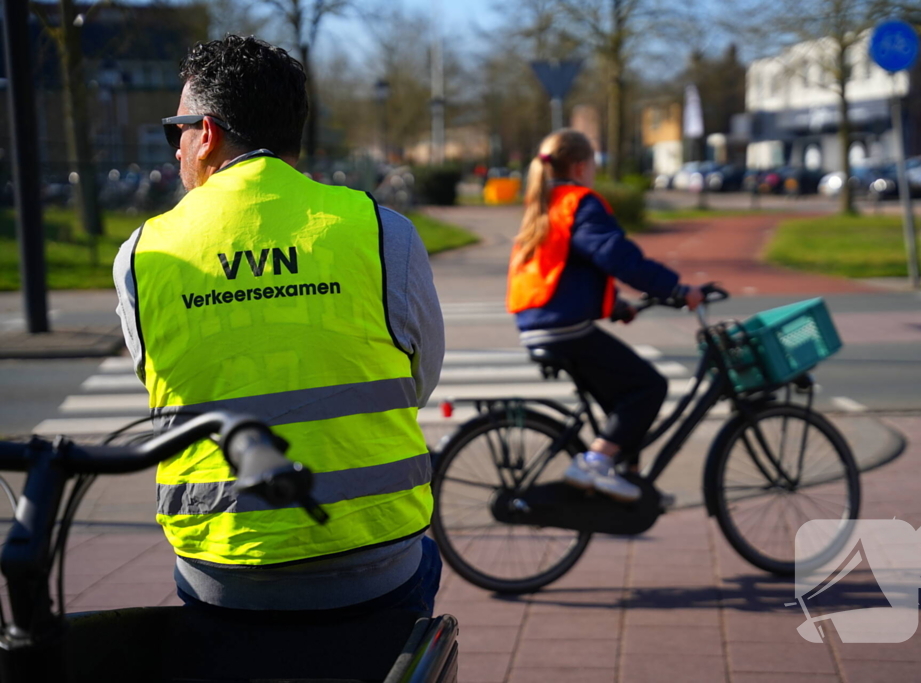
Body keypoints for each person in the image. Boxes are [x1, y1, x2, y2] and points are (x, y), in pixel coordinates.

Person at [112, 35, 443, 616]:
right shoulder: (385, 231)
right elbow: (419, 380)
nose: (174, 153)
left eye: (176, 132)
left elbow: (165, 383)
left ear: (206, 133)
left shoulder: (142, 255)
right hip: (373, 551)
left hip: (224, 561)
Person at [507, 129, 702, 503]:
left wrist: (614, 305)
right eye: (593, 165)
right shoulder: (579, 202)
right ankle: (595, 463)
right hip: (563, 327)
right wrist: (677, 289)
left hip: (538, 321)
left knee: (623, 402)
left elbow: (565, 269)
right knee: (648, 387)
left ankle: (632, 487)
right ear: (581, 166)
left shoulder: (546, 203)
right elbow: (617, 257)